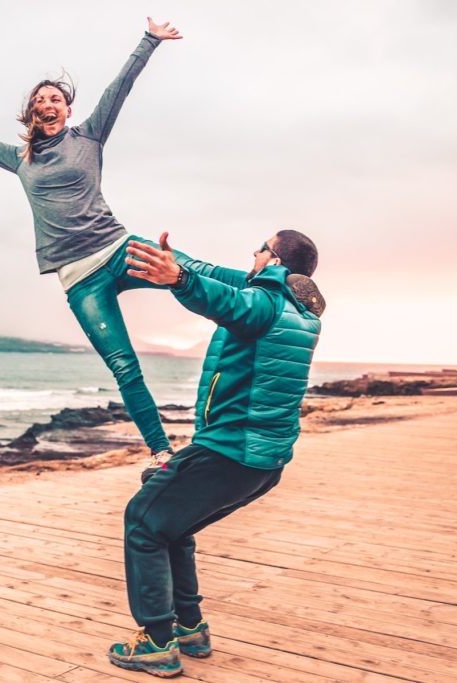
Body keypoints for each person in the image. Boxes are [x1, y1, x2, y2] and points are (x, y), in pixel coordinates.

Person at [0, 18, 185, 465]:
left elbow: (120, 86)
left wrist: (150, 41)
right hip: (79, 279)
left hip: (118, 248)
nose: (47, 102)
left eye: (55, 98)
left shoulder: (89, 135)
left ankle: (268, 286)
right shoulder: (20, 157)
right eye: (39, 99)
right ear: (31, 113)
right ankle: (162, 451)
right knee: (124, 365)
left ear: (68, 109)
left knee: (193, 271)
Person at [105, 229, 324, 678]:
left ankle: (156, 643)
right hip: (261, 460)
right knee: (172, 524)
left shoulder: (263, 304)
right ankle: (189, 629)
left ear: (277, 261)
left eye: (262, 247)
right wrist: (156, 253)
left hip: (230, 452)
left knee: (144, 521)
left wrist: (178, 279)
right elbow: (212, 275)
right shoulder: (298, 312)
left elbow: (222, 300)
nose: (254, 252)